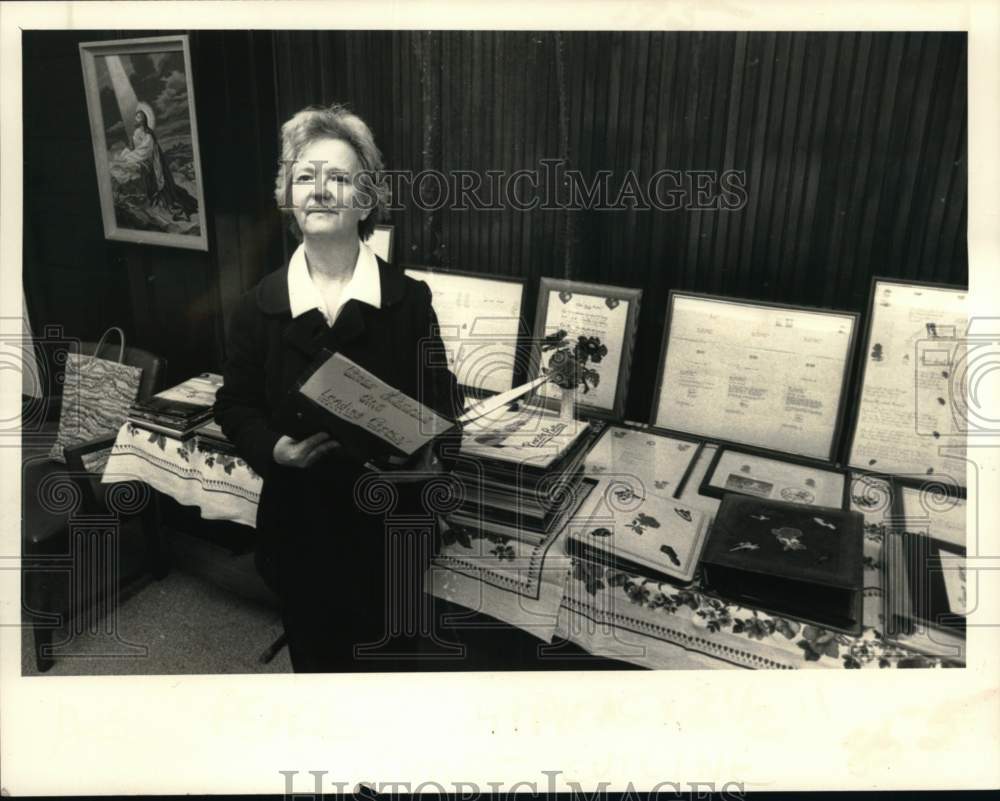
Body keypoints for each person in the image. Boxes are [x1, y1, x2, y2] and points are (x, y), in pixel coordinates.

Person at [214, 104, 461, 672]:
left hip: (389, 527)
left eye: (339, 178)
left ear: (366, 200)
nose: (320, 191)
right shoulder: (257, 308)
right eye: (305, 176)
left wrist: (430, 447)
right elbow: (235, 403)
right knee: (319, 671)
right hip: (302, 529)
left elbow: (442, 395)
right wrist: (272, 448)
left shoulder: (409, 300)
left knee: (390, 671)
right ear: (288, 198)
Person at [119, 108, 198, 221]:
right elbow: (131, 147)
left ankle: (159, 202)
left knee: (148, 174)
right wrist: (124, 155)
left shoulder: (148, 134)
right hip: (140, 159)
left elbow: (145, 150)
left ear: (144, 119)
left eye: (139, 117)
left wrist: (130, 157)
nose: (136, 118)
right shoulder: (136, 133)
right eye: (136, 116)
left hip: (151, 162)